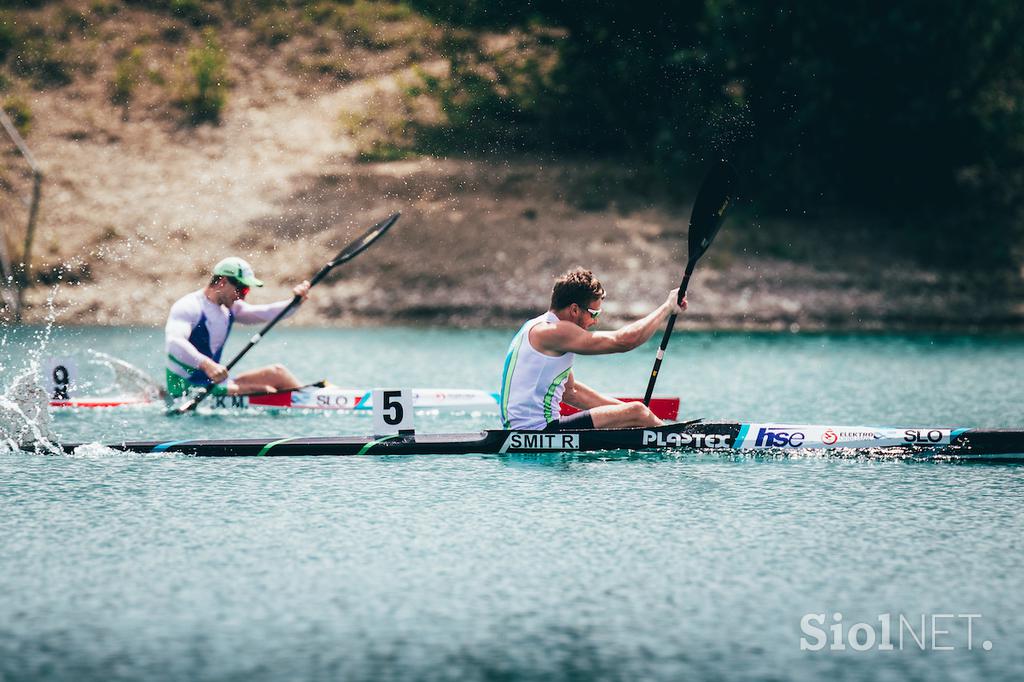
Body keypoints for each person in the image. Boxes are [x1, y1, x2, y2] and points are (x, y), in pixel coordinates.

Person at [499, 267, 686, 431]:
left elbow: (571, 392)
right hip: (540, 430)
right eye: (593, 313)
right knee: (637, 411)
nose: (595, 321)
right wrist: (667, 308)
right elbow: (624, 341)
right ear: (574, 310)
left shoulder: (535, 325)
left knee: (637, 412)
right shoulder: (554, 332)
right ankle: (677, 438)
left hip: (523, 430)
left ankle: (659, 429)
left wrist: (630, 415)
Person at [164, 256, 310, 398]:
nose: (242, 297)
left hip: (214, 382)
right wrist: (207, 365)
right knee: (266, 390)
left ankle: (311, 398)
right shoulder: (189, 306)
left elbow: (268, 313)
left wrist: (295, 301)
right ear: (222, 282)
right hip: (186, 388)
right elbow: (174, 343)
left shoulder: (230, 309)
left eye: (246, 291)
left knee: (278, 373)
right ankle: (308, 402)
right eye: (241, 290)